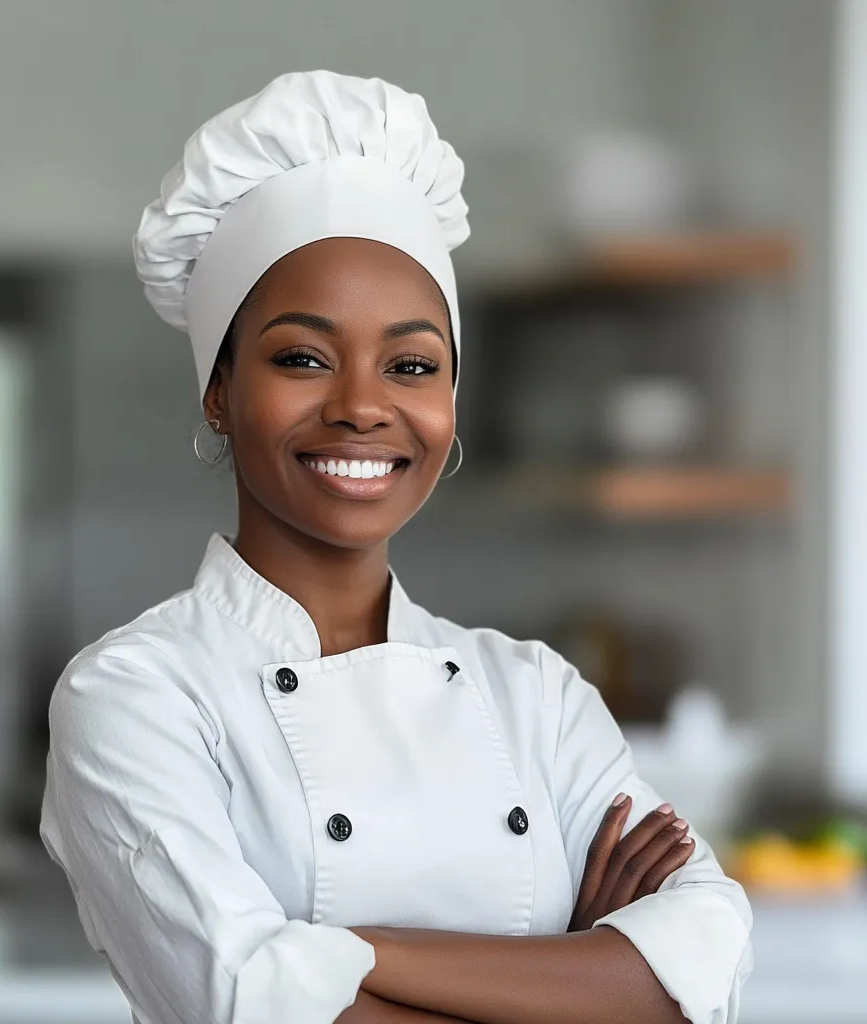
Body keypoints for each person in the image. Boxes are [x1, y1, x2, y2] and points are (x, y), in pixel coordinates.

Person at [40, 71, 752, 1024]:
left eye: (412, 365)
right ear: (218, 390)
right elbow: (251, 1005)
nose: (363, 407)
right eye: (302, 357)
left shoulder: (534, 695)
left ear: (450, 404)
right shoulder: (136, 697)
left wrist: (339, 955)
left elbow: (704, 966)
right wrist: (571, 971)